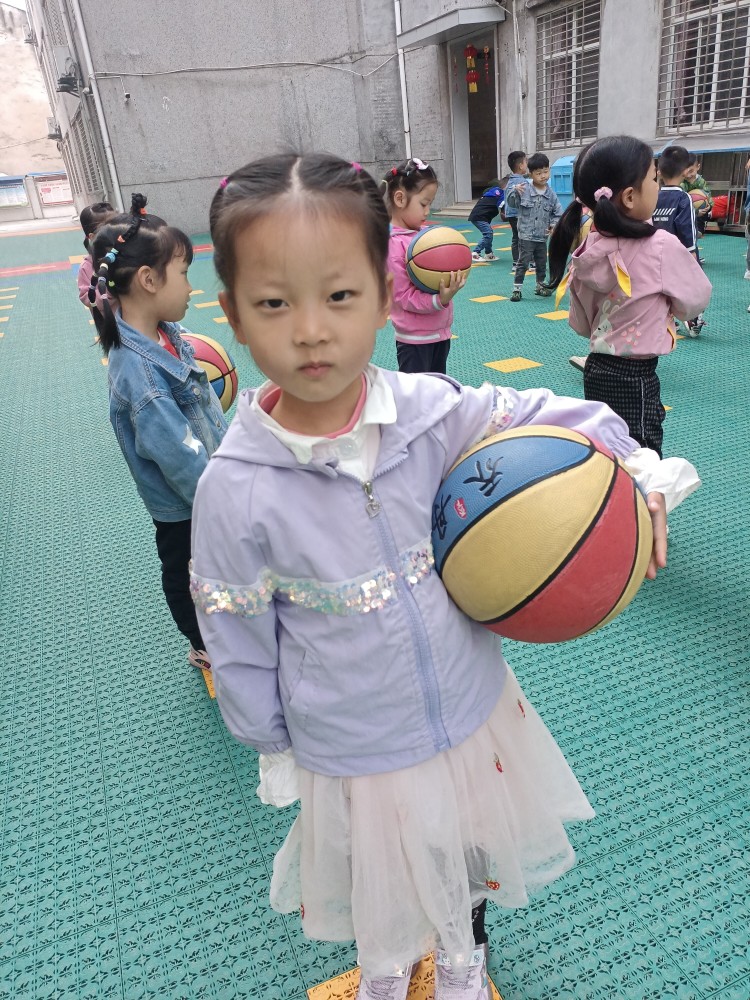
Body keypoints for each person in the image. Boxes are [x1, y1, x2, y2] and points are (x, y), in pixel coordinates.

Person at [190, 152, 700, 1000]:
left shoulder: (428, 414)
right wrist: (272, 741)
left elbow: (552, 414)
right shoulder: (233, 489)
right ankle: (386, 972)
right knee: (378, 880)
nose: (310, 329)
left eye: (339, 295)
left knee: (466, 859)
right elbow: (236, 627)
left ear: (385, 296)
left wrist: (635, 471)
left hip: (468, 712)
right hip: (351, 746)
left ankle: (464, 965)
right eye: (275, 302)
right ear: (235, 316)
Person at [91, 193, 227, 671]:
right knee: (186, 569)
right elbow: (179, 457)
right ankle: (202, 643)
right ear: (149, 280)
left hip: (207, 484)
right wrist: (225, 497)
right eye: (184, 273)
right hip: (185, 504)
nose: (191, 286)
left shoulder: (165, 334)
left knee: (214, 564)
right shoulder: (140, 375)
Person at [548, 135, 712, 458]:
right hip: (636, 376)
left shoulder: (587, 248)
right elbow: (696, 298)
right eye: (653, 179)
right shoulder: (660, 246)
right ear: (629, 196)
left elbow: (581, 322)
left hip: (595, 369)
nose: (657, 185)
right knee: (642, 457)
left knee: (606, 451)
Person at [383, 157, 466, 375]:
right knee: (416, 394)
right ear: (400, 198)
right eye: (423, 204)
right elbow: (402, 296)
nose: (428, 211)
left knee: (438, 389)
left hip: (440, 333)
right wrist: (439, 300)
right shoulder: (393, 244)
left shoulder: (425, 237)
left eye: (430, 203)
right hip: (414, 341)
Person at [653, 145, 706, 336]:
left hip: (655, 254)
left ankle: (667, 321)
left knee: (661, 289)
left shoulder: (654, 196)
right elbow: (687, 228)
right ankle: (693, 319)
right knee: (689, 288)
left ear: (659, 171)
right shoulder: (684, 198)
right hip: (679, 254)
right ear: (685, 171)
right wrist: (692, 254)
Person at [506, 152, 562, 301]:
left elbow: (558, 213)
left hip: (542, 236)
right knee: (523, 262)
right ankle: (517, 289)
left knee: (542, 262)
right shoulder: (523, 189)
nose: (543, 176)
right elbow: (511, 204)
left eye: (546, 172)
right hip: (526, 235)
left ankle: (540, 285)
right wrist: (514, 192)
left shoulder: (551, 194)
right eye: (538, 173)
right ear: (530, 174)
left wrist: (553, 225)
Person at [77, 201, 115, 336]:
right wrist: (112, 291)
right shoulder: (87, 267)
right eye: (108, 230)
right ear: (92, 237)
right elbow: (87, 297)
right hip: (113, 327)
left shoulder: (122, 254)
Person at [681, 153, 712, 252]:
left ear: (698, 167)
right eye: (686, 171)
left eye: (691, 171)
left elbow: (707, 194)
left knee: (702, 214)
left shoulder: (701, 181)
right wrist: (695, 210)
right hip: (687, 210)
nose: (688, 175)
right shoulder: (682, 183)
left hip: (700, 210)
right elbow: (682, 200)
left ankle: (699, 230)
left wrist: (709, 205)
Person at [502, 150, 528, 272]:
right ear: (521, 165)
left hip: (511, 214)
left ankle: (516, 262)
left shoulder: (510, 180)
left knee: (515, 237)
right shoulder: (522, 182)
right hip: (520, 214)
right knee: (525, 238)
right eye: (526, 161)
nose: (527, 164)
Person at [469, 180, 504, 261]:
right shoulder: (501, 193)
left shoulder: (492, 193)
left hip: (480, 216)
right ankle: (475, 253)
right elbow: (503, 206)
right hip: (479, 217)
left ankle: (488, 254)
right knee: (488, 234)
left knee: (489, 234)